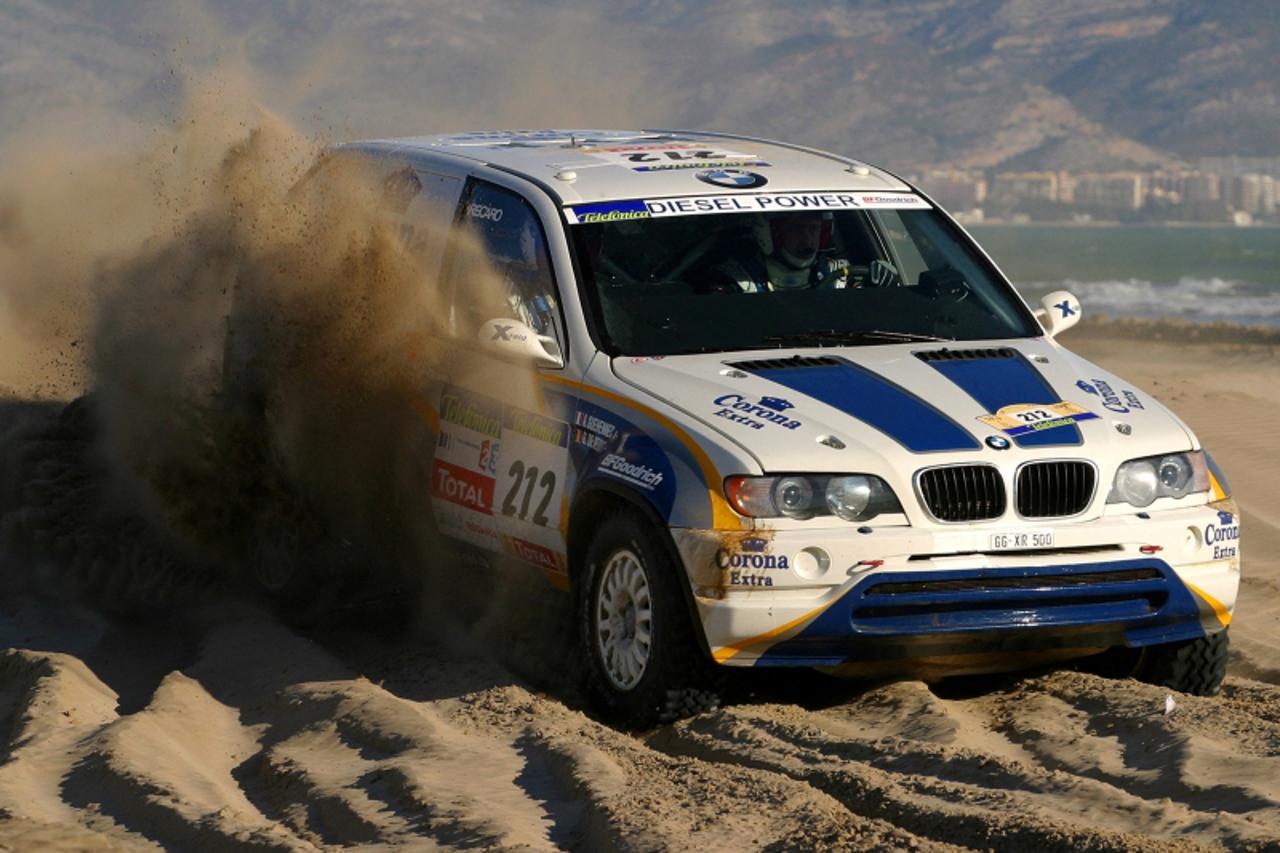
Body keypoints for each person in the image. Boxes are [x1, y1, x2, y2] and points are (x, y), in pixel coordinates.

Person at [704, 211, 853, 293]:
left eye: (814, 229)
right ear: (771, 234)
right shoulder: (737, 279)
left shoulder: (841, 276)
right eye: (796, 229)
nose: (807, 238)